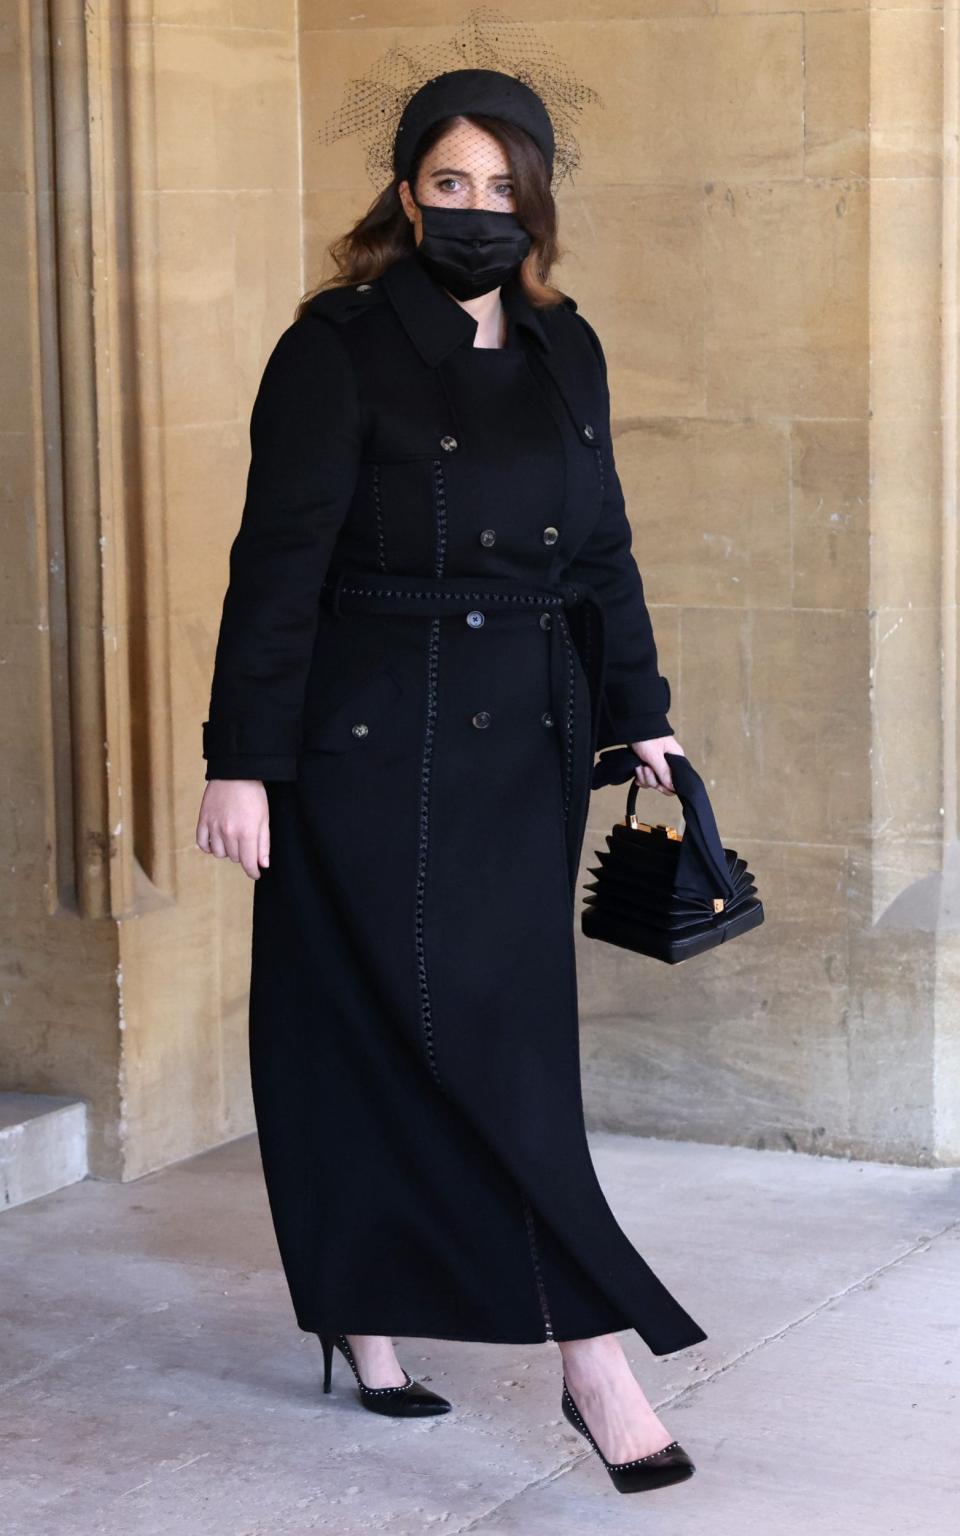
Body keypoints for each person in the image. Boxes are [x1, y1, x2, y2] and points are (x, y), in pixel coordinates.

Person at [196, 42, 707, 1497]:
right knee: (375, 1029)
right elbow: (275, 569)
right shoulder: (336, 346)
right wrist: (246, 764)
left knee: (492, 1039)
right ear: (407, 194)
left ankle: (380, 1315)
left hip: (527, 739)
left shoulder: (568, 345)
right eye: (447, 181)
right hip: (369, 743)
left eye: (501, 183)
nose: (475, 206)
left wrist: (641, 711)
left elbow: (601, 547)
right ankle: (589, 1361)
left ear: (534, 199)